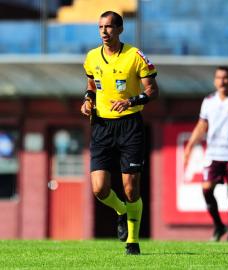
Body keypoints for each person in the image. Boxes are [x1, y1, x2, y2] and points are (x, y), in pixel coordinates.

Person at [80, 11, 159, 255]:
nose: (104, 32)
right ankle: (121, 211)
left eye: (110, 27)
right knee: (100, 189)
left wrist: (131, 101)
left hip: (130, 125)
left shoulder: (135, 56)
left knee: (130, 188)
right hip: (102, 127)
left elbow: (153, 90)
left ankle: (132, 242)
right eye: (101, 27)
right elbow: (92, 84)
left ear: (120, 29)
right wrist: (87, 100)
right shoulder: (92, 57)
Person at [184, 66, 228, 242]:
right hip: (213, 154)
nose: (222, 81)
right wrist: (190, 146)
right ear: (215, 81)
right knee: (206, 189)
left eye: (225, 78)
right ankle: (218, 225)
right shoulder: (209, 101)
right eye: (218, 78)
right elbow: (202, 126)